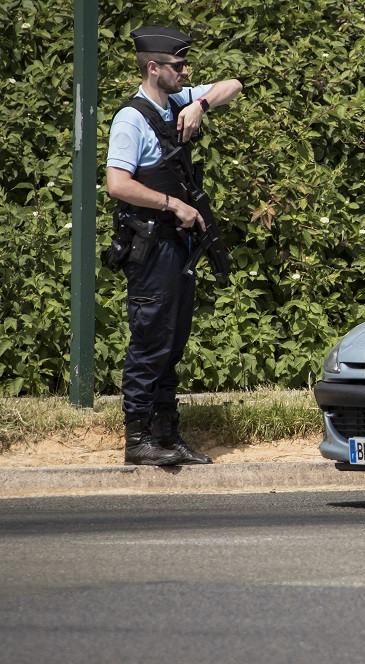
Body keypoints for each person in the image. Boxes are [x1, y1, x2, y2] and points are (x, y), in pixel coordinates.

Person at [106, 25, 242, 465]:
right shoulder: (131, 118)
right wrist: (173, 204)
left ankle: (166, 435)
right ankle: (138, 438)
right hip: (151, 245)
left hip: (178, 246)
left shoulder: (178, 102)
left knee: (175, 340)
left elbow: (235, 84)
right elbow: (117, 184)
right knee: (151, 341)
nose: (186, 72)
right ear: (154, 68)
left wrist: (200, 102)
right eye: (178, 66)